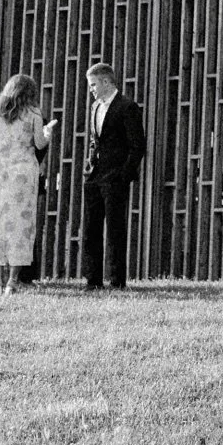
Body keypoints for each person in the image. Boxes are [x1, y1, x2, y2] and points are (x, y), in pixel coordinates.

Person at [0, 73, 59, 296]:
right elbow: (40, 143)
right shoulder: (33, 113)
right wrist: (48, 132)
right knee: (21, 227)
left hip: (0, 173)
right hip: (23, 175)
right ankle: (12, 281)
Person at [80, 63, 144, 289]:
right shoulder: (95, 107)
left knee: (115, 229)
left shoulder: (127, 107)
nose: (91, 90)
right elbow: (94, 140)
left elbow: (137, 146)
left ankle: (117, 281)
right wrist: (89, 163)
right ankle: (92, 280)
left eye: (93, 84)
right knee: (90, 228)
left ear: (106, 82)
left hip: (115, 176)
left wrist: (124, 175)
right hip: (95, 175)